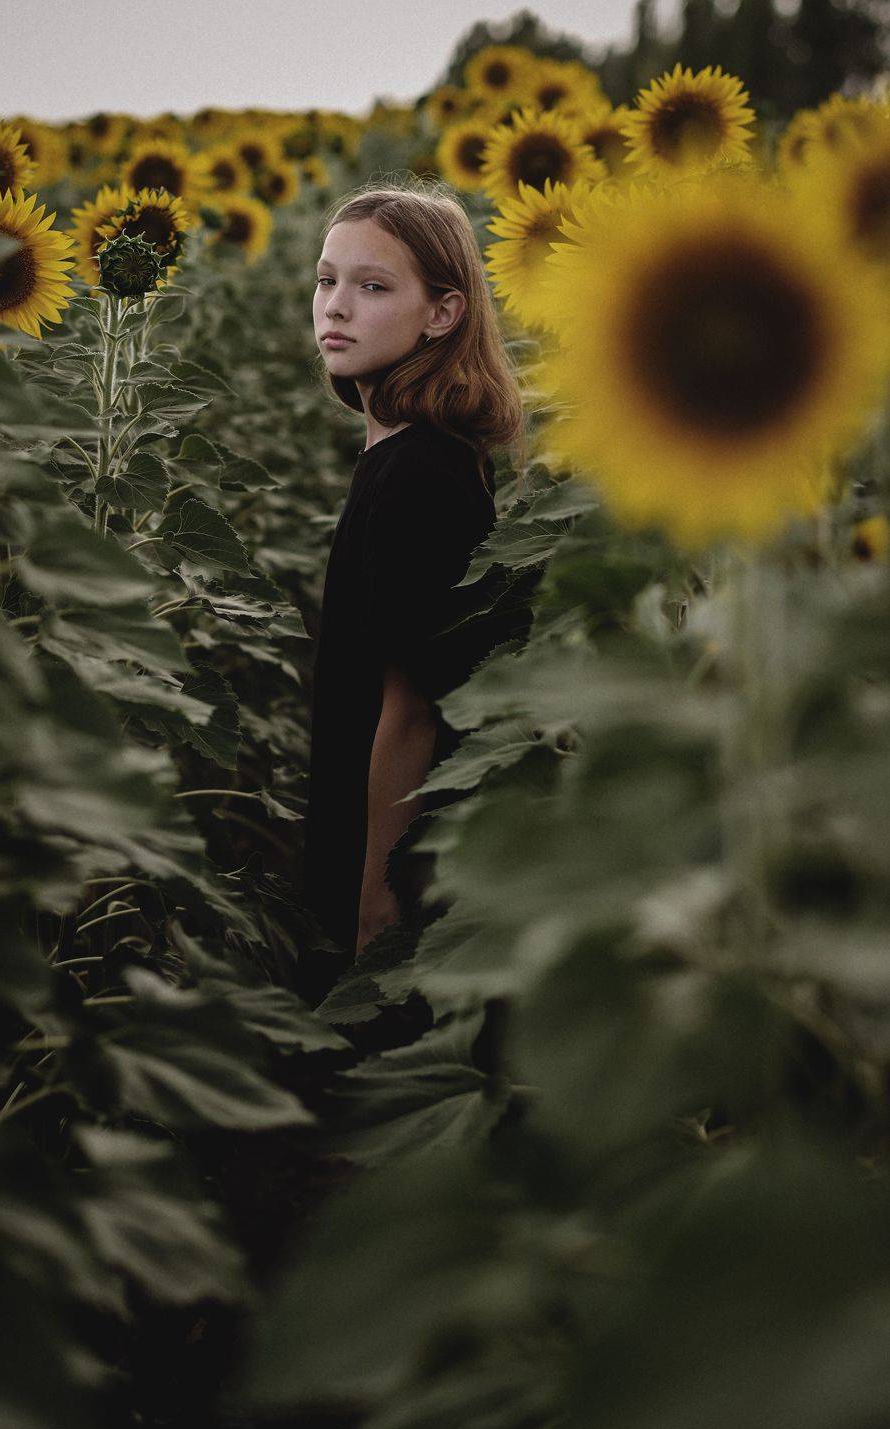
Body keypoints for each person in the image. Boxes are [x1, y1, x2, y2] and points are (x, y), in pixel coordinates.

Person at [295, 181, 524, 1005]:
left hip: (393, 859)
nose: (336, 306)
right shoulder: (408, 455)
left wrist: (376, 901)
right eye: (326, 280)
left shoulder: (416, 475)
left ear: (442, 313)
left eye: (372, 286)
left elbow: (413, 708)